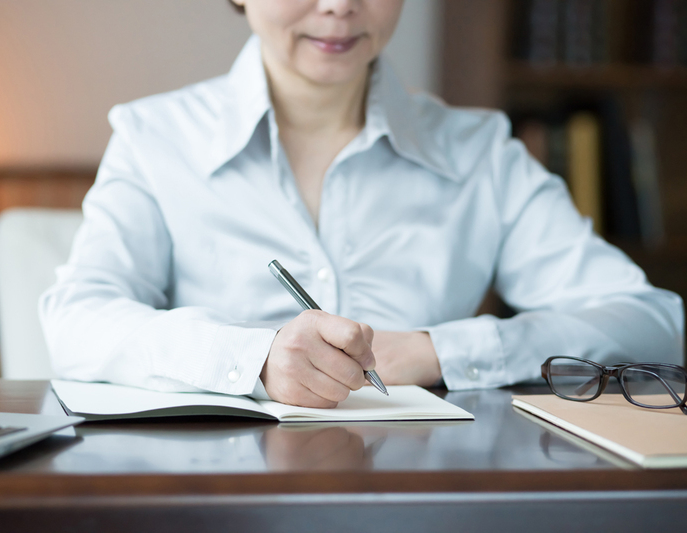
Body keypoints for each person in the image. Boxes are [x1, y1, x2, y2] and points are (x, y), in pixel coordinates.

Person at [39, 0, 683, 409]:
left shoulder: (480, 151)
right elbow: (75, 323)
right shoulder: (155, 139)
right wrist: (256, 358)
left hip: (422, 493)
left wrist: (439, 351)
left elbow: (654, 321)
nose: (340, 7)